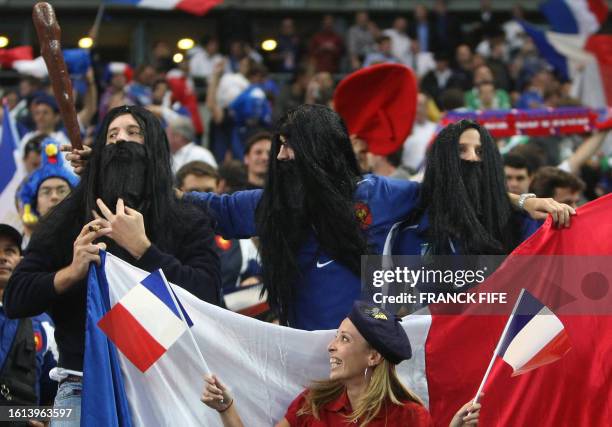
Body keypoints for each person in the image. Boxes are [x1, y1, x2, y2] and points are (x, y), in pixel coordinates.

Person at [182, 105, 573, 330]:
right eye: (279, 146)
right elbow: (200, 209)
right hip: (300, 352)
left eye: (290, 146)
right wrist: (147, 183)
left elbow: (450, 191)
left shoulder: (380, 194)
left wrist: (520, 202)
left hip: (372, 354)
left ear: (320, 151)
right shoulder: (267, 204)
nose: (280, 156)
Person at [3, 105, 221, 425]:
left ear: (156, 150)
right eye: (112, 134)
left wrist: (143, 249)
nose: (121, 141)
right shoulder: (68, 217)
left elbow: (208, 296)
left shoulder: (186, 218)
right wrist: (71, 272)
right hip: (82, 389)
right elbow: (15, 298)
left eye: (134, 133)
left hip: (163, 388)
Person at [201, 301, 481, 427]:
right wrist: (226, 407)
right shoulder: (313, 403)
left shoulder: (408, 417)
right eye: (336, 336)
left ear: (373, 357)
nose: (331, 346)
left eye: (344, 339)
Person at [0, 224, 57, 425]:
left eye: (9, 251)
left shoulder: (45, 324)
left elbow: (58, 393)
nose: (2, 258)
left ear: (21, 262)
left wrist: (45, 420)